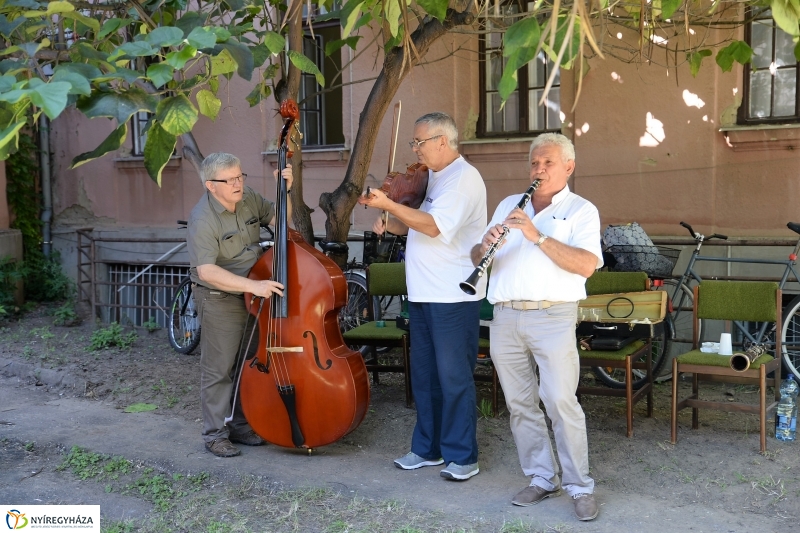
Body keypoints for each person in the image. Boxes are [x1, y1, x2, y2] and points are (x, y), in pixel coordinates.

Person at [471, 133, 602, 520]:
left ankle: (579, 485)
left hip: (553, 315)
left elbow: (586, 265)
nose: (539, 169)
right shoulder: (509, 204)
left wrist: (536, 234)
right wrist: (485, 245)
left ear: (568, 167)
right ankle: (542, 478)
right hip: (506, 315)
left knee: (561, 401)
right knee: (519, 403)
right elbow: (479, 255)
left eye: (548, 163)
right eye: (534, 163)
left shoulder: (581, 210)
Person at [358, 112, 487, 481]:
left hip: (452, 296)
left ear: (442, 141)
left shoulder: (463, 180)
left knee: (454, 377)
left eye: (419, 142)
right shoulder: (432, 179)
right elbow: (413, 223)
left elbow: (433, 226)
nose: (414, 150)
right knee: (426, 376)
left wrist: (389, 206)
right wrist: (389, 219)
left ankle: (463, 457)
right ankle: (427, 449)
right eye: (413, 143)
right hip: (423, 293)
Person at [187, 152, 293, 458]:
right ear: (211, 185)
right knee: (219, 369)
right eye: (229, 180)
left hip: (254, 294)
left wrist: (285, 192)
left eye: (240, 176)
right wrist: (253, 286)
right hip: (220, 297)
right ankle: (214, 434)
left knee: (249, 364)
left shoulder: (248, 199)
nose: (238, 184)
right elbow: (206, 271)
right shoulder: (202, 219)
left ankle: (241, 424)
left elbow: (282, 223)